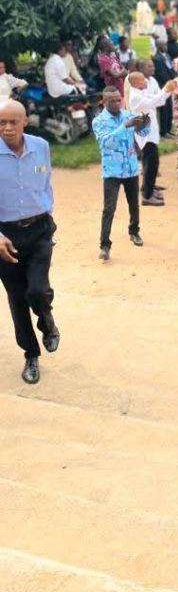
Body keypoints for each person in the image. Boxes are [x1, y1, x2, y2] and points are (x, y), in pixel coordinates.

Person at [0, 99, 59, 385]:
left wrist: (47, 213)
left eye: (13, 122)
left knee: (37, 290)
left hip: (39, 230)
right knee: (16, 297)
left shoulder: (41, 146)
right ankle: (31, 354)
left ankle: (46, 319)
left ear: (26, 121)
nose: (7, 128)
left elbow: (46, 183)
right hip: (5, 237)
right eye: (2, 123)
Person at [93, 87, 149, 260]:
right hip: (112, 171)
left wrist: (145, 124)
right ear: (104, 102)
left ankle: (134, 231)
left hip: (131, 168)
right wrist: (125, 126)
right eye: (113, 101)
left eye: (119, 99)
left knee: (134, 204)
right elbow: (107, 142)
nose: (117, 103)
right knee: (109, 208)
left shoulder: (128, 115)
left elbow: (142, 134)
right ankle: (104, 245)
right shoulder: (99, 121)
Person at [127, 66, 176, 206]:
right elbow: (153, 102)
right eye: (143, 80)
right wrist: (166, 89)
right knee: (151, 165)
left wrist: (168, 91)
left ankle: (148, 187)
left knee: (150, 164)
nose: (146, 82)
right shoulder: (135, 97)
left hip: (150, 134)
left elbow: (159, 101)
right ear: (136, 83)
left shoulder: (141, 92)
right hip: (145, 136)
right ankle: (147, 196)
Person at [152, 39, 175, 137]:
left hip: (170, 83)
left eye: (165, 44)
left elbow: (171, 69)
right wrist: (169, 82)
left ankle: (169, 129)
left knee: (170, 108)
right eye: (163, 45)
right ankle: (164, 131)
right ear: (158, 46)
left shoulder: (167, 56)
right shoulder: (156, 58)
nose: (165, 46)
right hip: (163, 85)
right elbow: (162, 73)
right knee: (164, 108)